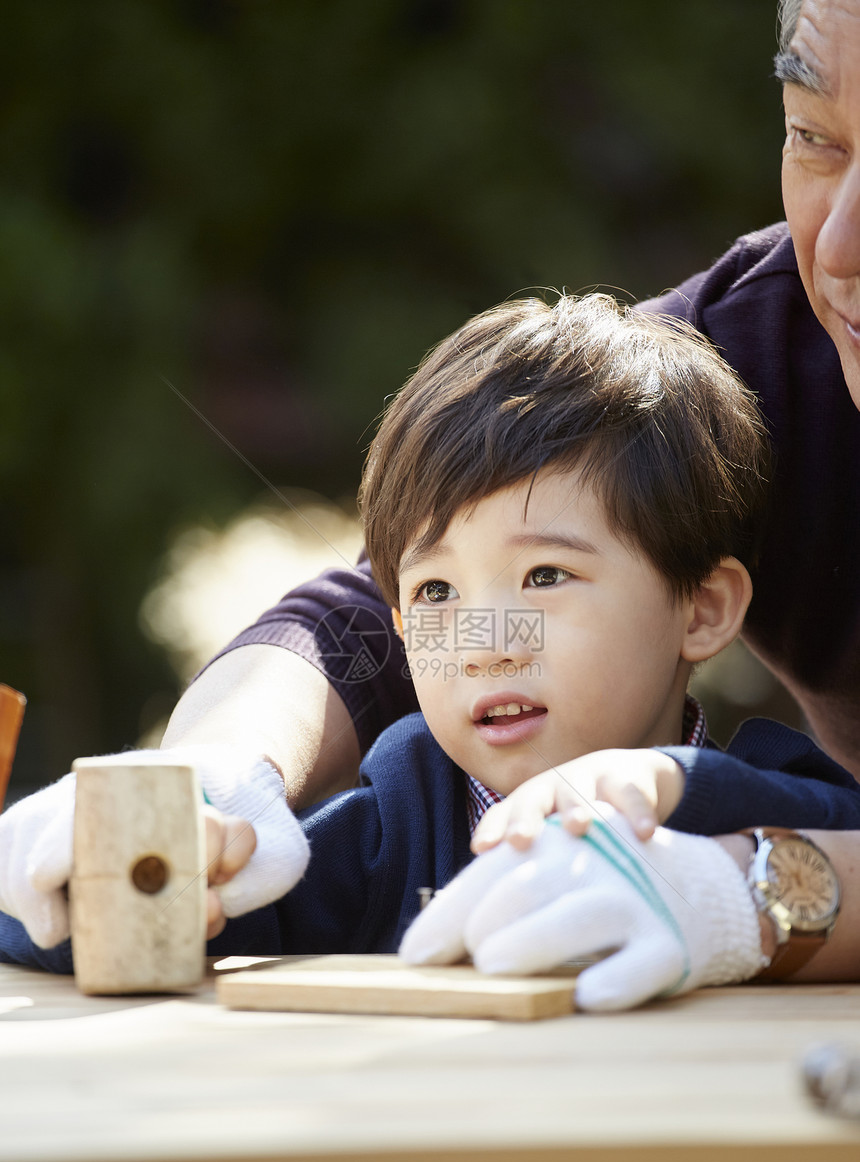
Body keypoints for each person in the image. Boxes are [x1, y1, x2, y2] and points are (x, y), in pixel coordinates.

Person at [152, 0, 860, 990]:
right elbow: (361, 619)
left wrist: (733, 887)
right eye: (811, 137)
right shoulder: (739, 350)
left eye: (541, 576)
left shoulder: (741, 795)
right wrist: (192, 804)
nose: (835, 249)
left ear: (706, 609)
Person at [3, 295, 860, 1010]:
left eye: (546, 574)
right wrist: (87, 869)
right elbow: (173, 921)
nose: (484, 648)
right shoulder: (394, 826)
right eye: (437, 594)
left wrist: (677, 790)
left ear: (703, 608)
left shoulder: (775, 796)